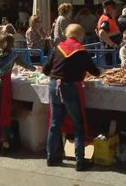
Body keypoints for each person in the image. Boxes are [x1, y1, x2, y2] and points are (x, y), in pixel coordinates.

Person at [43, 24, 101, 171]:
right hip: (69, 87)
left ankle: (51, 157)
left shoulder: (57, 48)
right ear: (80, 36)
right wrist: (100, 72)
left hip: (53, 85)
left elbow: (45, 70)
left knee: (55, 123)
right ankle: (80, 161)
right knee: (78, 125)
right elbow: (94, 71)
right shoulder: (80, 50)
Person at [0, 34, 36, 155]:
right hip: (4, 85)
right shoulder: (13, 55)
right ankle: (5, 142)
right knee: (5, 112)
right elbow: (27, 66)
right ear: (11, 44)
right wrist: (36, 69)